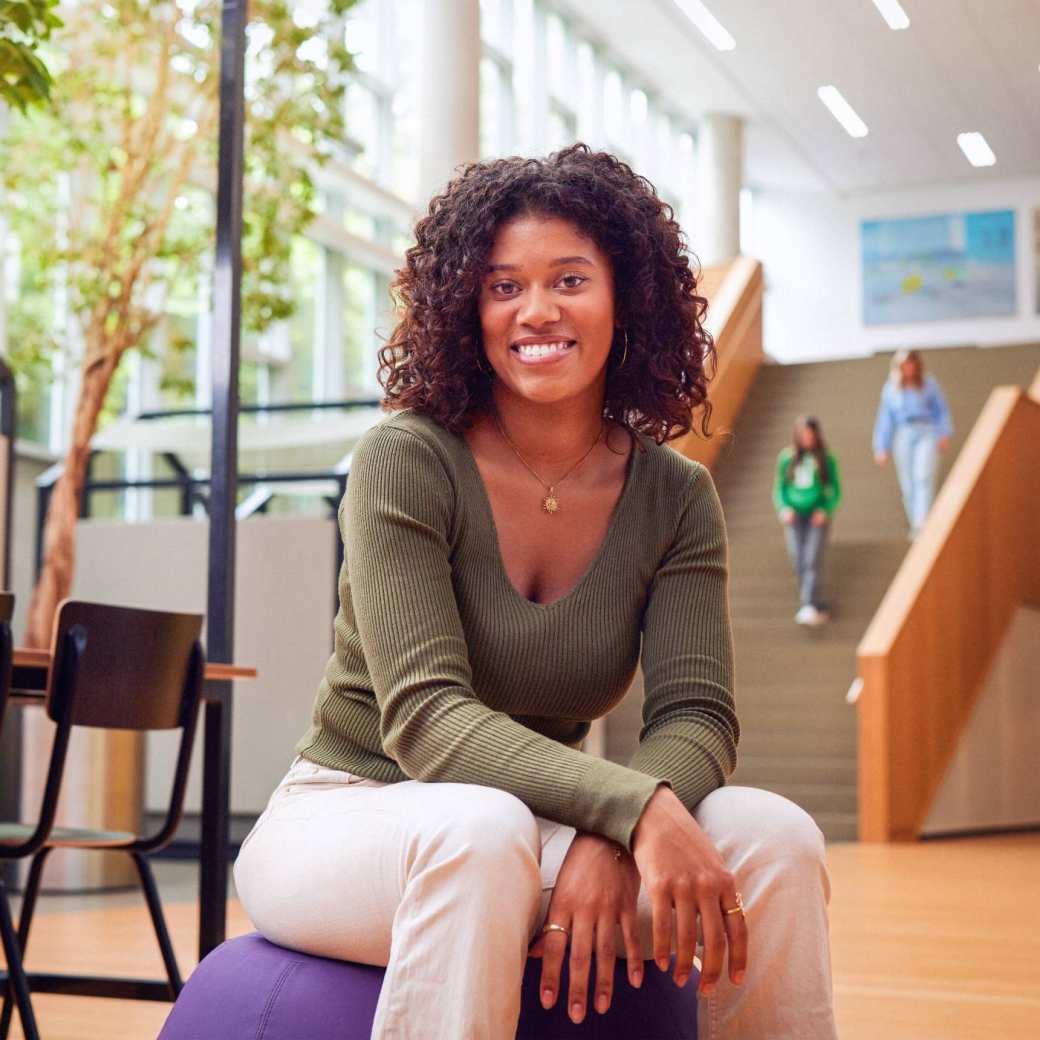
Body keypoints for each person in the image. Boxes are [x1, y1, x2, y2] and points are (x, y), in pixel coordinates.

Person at [233, 144, 837, 1040]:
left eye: (569, 279)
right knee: (478, 834)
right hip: (348, 816)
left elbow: (698, 716)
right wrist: (630, 812)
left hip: (536, 823)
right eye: (503, 286)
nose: (537, 311)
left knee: (777, 836)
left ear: (624, 298)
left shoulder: (675, 496)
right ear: (465, 308)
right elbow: (428, 717)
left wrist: (609, 831)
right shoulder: (406, 459)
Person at [873, 348, 953, 538]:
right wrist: (881, 447)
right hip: (904, 433)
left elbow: (941, 410)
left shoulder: (929, 384)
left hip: (927, 430)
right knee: (908, 482)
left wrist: (944, 433)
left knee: (923, 476)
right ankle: (916, 526)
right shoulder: (891, 388)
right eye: (905, 364)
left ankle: (922, 521)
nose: (908, 367)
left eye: (911, 363)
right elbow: (885, 419)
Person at [773, 416, 842, 626]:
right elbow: (779, 488)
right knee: (798, 557)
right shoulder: (788, 457)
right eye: (804, 435)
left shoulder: (825, 458)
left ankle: (808, 604)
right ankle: (814, 602)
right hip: (795, 516)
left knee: (811, 558)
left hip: (816, 516)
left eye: (810, 434)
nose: (807, 438)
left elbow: (835, 490)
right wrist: (784, 508)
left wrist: (825, 509)